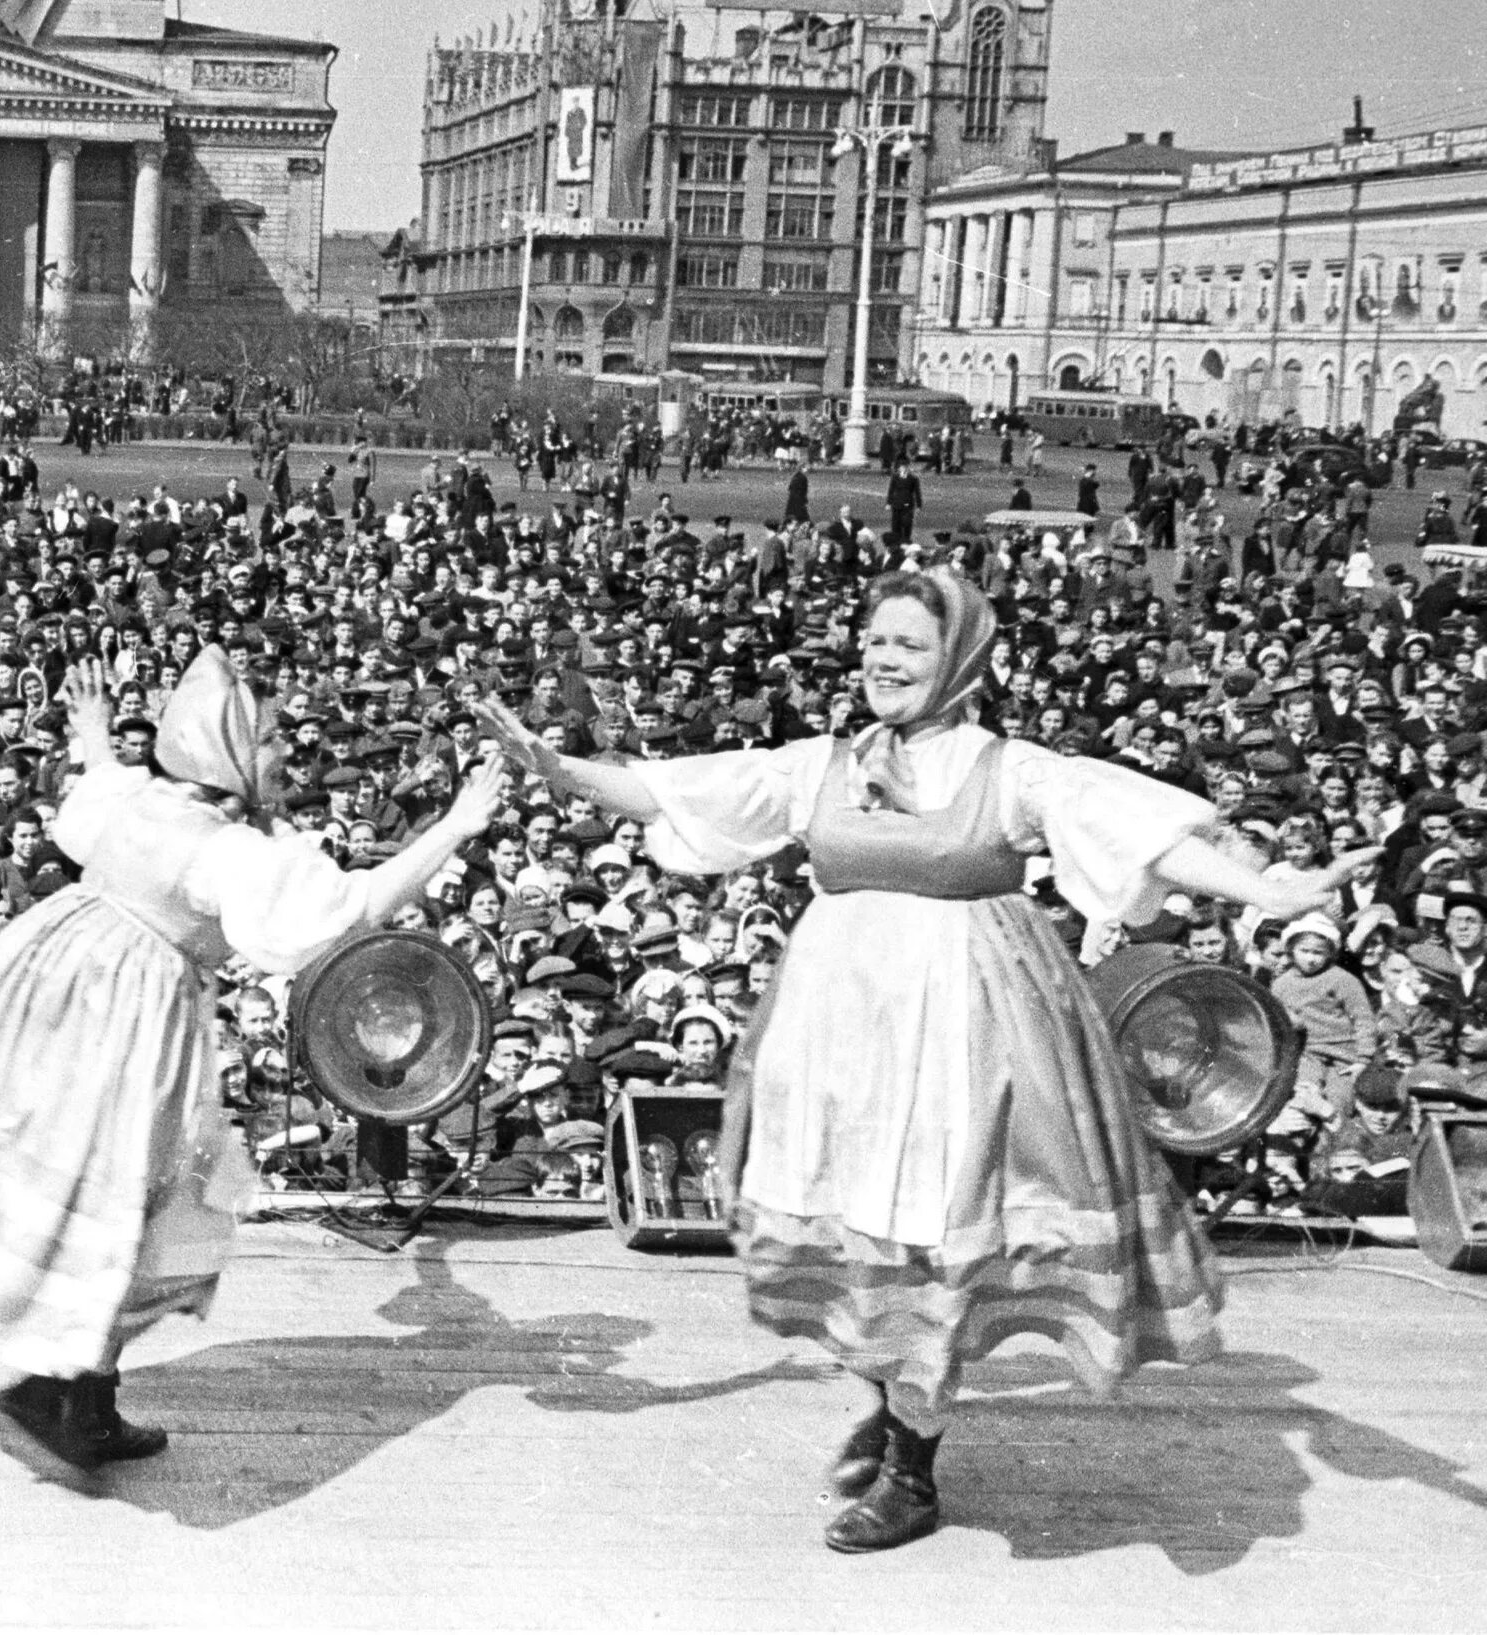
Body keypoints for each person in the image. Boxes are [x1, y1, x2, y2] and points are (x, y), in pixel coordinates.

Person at [480, 568, 1371, 1554]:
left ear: (957, 660)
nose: (883, 660)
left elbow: (1133, 829)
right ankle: (896, 1401)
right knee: (865, 1226)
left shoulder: (1011, 769)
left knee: (933, 1230)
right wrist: (555, 766)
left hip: (963, 1031)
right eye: (873, 643)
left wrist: (1267, 889)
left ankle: (912, 1469)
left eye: (906, 644)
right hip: (840, 1034)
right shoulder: (823, 763)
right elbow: (678, 788)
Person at [0, 648, 506, 1474]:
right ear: (231, 755)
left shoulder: (142, 803)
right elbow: (345, 910)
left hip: (58, 983)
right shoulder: (225, 851)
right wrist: (456, 825)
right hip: (133, 1015)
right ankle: (66, 1395)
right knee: (142, 1199)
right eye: (271, 740)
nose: (284, 754)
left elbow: (100, 790)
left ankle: (76, 1388)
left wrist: (96, 734)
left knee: (94, 1187)